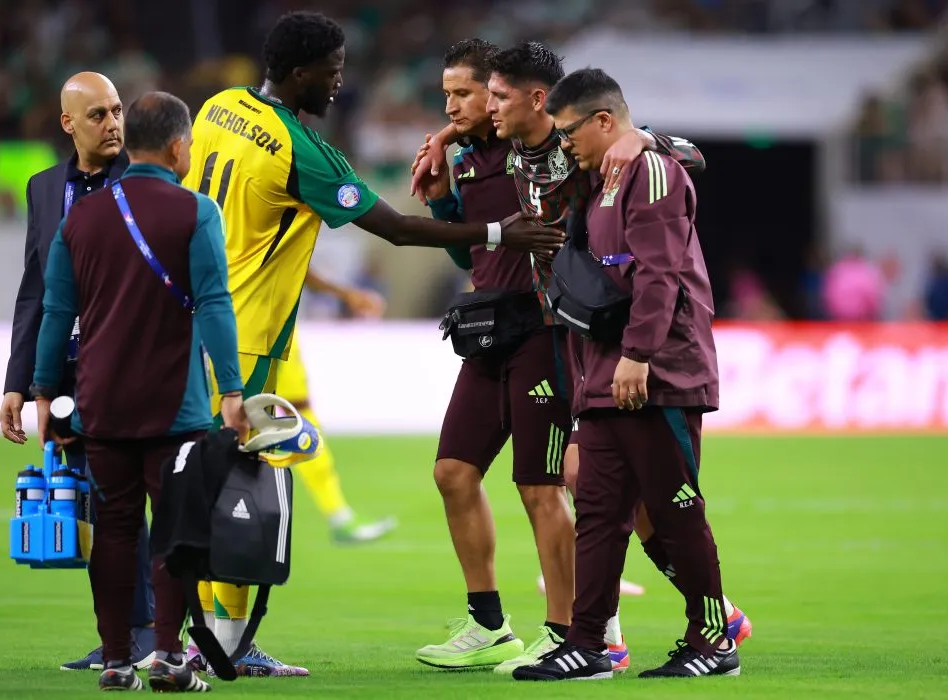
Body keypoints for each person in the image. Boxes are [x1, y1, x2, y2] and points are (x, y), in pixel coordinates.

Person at [180, 11, 563, 678]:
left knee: (201, 489)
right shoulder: (301, 150)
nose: (338, 86)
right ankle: (221, 647)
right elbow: (393, 228)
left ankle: (208, 639)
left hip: (190, 328)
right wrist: (500, 234)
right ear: (300, 74)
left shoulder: (218, 107)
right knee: (238, 494)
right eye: (331, 74)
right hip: (246, 342)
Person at [411, 40, 736, 673]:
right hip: (565, 341)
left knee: (627, 497)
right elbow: (470, 251)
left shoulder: (590, 147)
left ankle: (707, 624)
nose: (468, 107)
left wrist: (640, 138)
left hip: (585, 343)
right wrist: (447, 154)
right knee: (594, 495)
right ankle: (586, 640)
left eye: (482, 95)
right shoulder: (493, 156)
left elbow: (684, 168)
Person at [514, 68, 738, 681]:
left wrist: (640, 354)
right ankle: (588, 645)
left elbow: (660, 273)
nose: (564, 145)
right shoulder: (592, 176)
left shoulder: (651, 169)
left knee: (675, 511)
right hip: (604, 370)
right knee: (599, 511)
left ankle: (715, 641)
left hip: (657, 369)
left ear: (605, 122)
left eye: (569, 132)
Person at [32, 90, 249, 693]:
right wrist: (230, 390)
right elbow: (212, 302)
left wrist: (44, 393)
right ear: (180, 146)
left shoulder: (82, 217)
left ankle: (115, 660)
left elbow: (56, 312)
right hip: (173, 410)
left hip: (102, 405)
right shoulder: (196, 210)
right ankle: (171, 660)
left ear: (132, 139)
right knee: (175, 533)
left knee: (117, 529)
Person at [0, 71, 157, 672]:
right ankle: (119, 634)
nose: (113, 123)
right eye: (98, 115)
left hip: (131, 366)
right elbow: (34, 290)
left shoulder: (144, 180)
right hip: (65, 374)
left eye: (117, 110)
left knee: (127, 502)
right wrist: (20, 383)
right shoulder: (43, 190)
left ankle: (151, 631)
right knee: (93, 504)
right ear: (68, 124)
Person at [288, 269, 397, 544]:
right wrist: (347, 294)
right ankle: (339, 517)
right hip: (257, 326)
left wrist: (346, 294)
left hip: (266, 324)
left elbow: (295, 265)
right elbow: (296, 265)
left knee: (295, 420)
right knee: (297, 419)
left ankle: (339, 516)